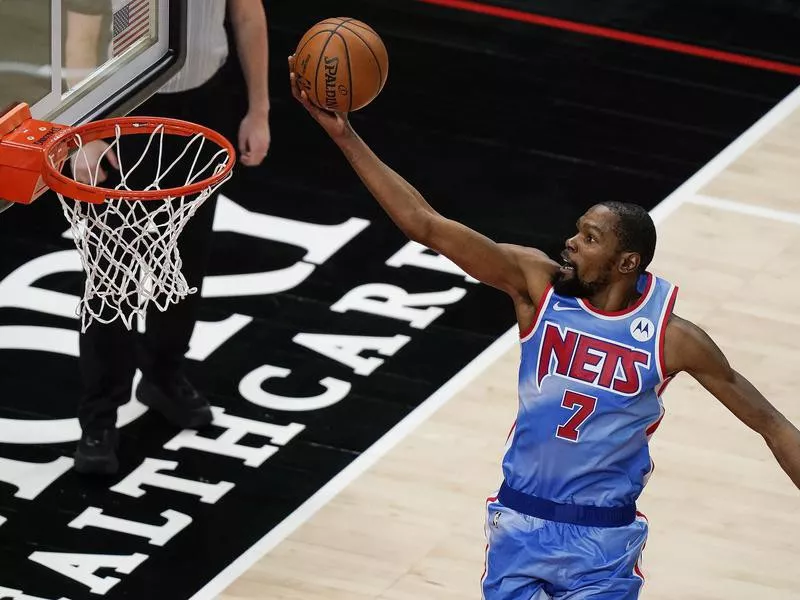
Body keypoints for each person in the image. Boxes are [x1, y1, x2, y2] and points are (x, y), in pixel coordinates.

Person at [287, 58, 800, 599]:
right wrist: (346, 137)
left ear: (627, 262)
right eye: (577, 231)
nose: (571, 243)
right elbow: (426, 225)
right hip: (519, 523)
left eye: (590, 238)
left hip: (603, 544)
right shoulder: (537, 287)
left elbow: (767, 420)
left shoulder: (672, 338)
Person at [74, 0, 270, 475]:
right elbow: (80, 33)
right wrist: (86, 130)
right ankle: (99, 418)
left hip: (205, 102)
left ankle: (164, 374)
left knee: (184, 258)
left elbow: (246, 14)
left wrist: (259, 108)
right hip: (122, 110)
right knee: (111, 273)